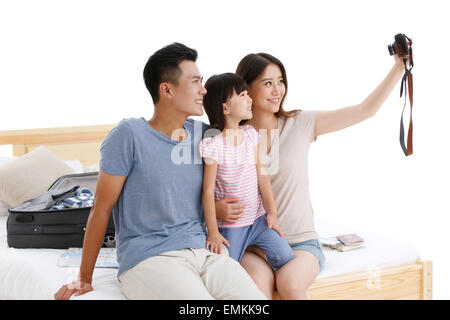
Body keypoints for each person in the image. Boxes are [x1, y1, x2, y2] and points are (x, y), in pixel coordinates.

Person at [54, 43, 266, 300]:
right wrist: (84, 278)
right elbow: (101, 208)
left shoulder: (205, 136)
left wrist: (218, 208)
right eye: (196, 82)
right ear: (167, 89)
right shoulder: (129, 135)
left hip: (206, 253)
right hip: (151, 257)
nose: (204, 89)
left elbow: (241, 152)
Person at [214, 48, 412, 299]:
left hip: (300, 244)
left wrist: (398, 67)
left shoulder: (301, 123)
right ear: (246, 88)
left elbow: (365, 110)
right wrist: (217, 207)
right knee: (257, 288)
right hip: (253, 246)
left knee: (290, 284)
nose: (278, 91)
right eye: (267, 83)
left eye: (280, 82)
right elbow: (205, 187)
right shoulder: (226, 137)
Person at [199, 73, 294, 271]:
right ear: (225, 107)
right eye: (243, 95)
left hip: (257, 219)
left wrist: (272, 213)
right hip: (232, 226)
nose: (250, 99)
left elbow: (262, 176)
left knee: (285, 256)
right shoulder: (213, 145)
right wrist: (213, 232)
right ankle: (245, 248)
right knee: (226, 269)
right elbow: (207, 191)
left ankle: (252, 248)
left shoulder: (250, 134)